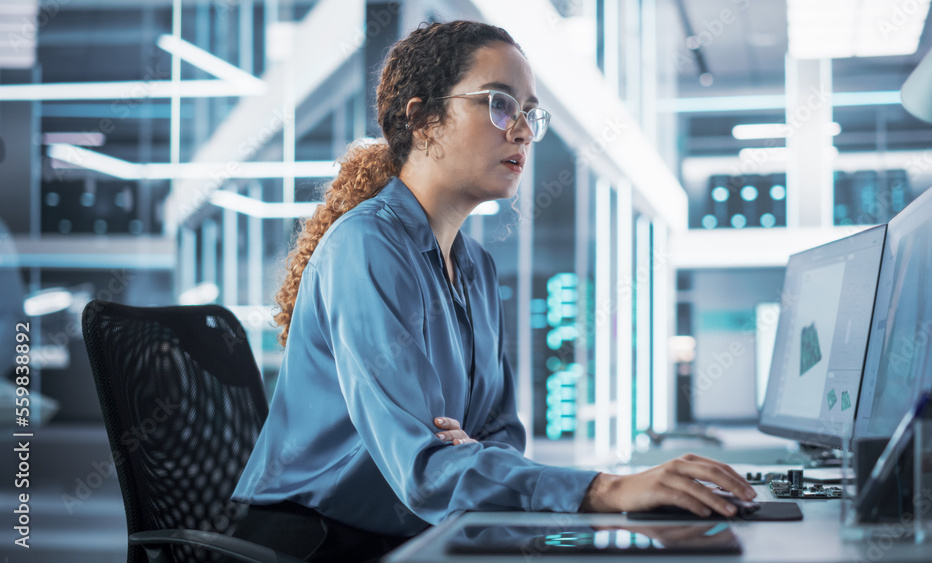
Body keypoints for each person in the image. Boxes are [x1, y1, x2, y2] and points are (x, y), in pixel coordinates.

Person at [231, 20, 755, 563]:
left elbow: (499, 436)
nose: (523, 130)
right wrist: (606, 488)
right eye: (501, 104)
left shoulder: (476, 267)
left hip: (416, 531)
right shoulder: (366, 246)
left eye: (530, 113)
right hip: (318, 542)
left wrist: (466, 454)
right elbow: (424, 471)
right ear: (423, 119)